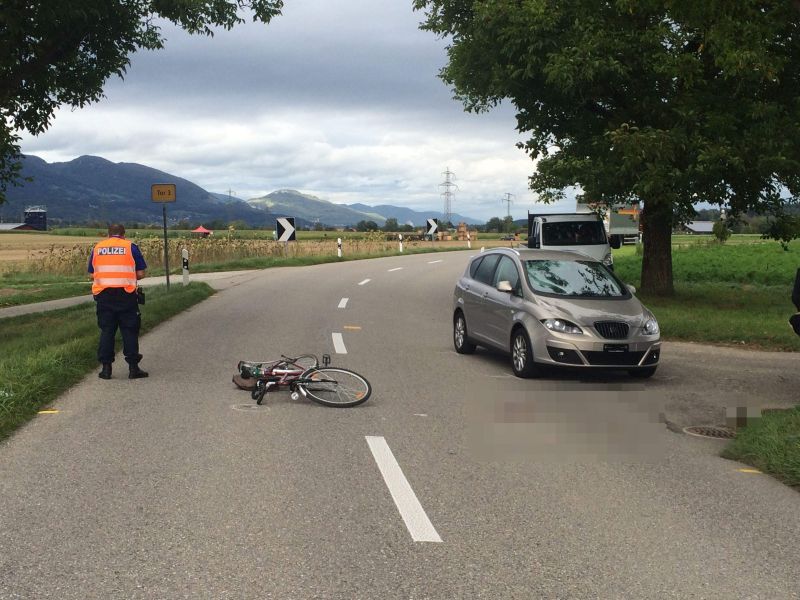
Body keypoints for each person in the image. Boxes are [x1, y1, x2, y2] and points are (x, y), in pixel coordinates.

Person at [87, 224, 149, 379]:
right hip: (126, 295)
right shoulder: (130, 247)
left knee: (107, 330)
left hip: (104, 295)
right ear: (123, 234)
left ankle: (106, 369)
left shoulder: (98, 248)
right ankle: (133, 368)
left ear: (108, 234)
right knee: (129, 330)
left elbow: (91, 274)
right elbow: (140, 273)